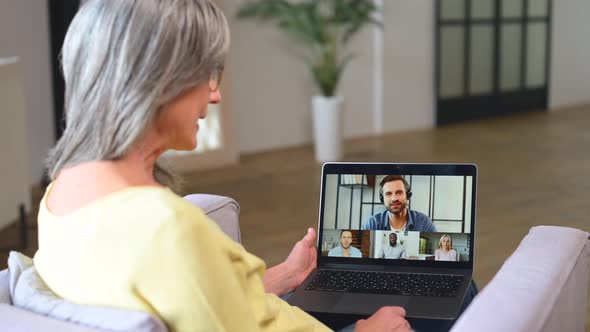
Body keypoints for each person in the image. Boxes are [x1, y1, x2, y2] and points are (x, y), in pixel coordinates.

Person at [33, 1, 411, 331]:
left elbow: (193, 300)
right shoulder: (169, 228)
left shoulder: (61, 194)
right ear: (158, 81)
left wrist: (287, 274)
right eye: (206, 74)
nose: (215, 94)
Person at [362, 175, 436, 232]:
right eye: (388, 194)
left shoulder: (424, 222)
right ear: (382, 198)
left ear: (407, 195)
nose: (394, 199)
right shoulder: (372, 223)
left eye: (399, 193)